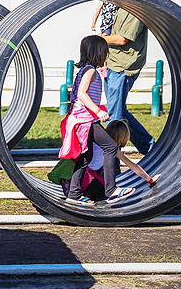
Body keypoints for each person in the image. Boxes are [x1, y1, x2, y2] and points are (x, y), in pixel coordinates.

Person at [58, 35, 135, 205]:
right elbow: (81, 94)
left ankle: (74, 194)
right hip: (86, 120)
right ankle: (111, 189)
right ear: (98, 53)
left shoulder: (85, 69)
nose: (106, 56)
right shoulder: (90, 71)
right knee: (111, 146)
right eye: (105, 52)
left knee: (85, 157)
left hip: (81, 120)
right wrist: (98, 111)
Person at [99, 0, 155, 155]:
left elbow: (123, 39)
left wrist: (97, 41)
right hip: (113, 62)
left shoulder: (136, 6)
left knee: (113, 118)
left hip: (123, 65)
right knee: (119, 111)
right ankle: (149, 147)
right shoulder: (122, 3)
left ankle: (111, 163)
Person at [65, 120, 162, 205]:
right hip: (86, 181)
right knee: (101, 192)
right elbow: (132, 165)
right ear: (123, 138)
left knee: (100, 185)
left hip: (73, 180)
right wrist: (150, 179)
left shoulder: (96, 143)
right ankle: (103, 194)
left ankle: (78, 191)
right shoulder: (111, 149)